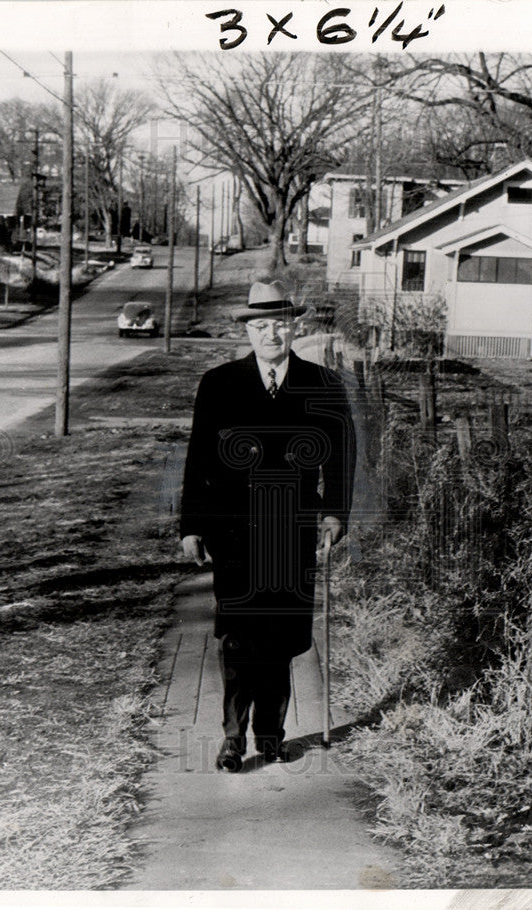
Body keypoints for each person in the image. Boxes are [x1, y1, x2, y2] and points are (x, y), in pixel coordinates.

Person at [179, 279, 356, 773]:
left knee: (278, 639)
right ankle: (233, 739)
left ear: (294, 327)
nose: (270, 334)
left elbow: (342, 456)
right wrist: (192, 524)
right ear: (248, 330)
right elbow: (198, 460)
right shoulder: (219, 383)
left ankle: (272, 735)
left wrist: (335, 513)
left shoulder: (322, 385)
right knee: (237, 639)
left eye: (279, 324)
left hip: (292, 530)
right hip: (232, 532)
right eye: (260, 325)